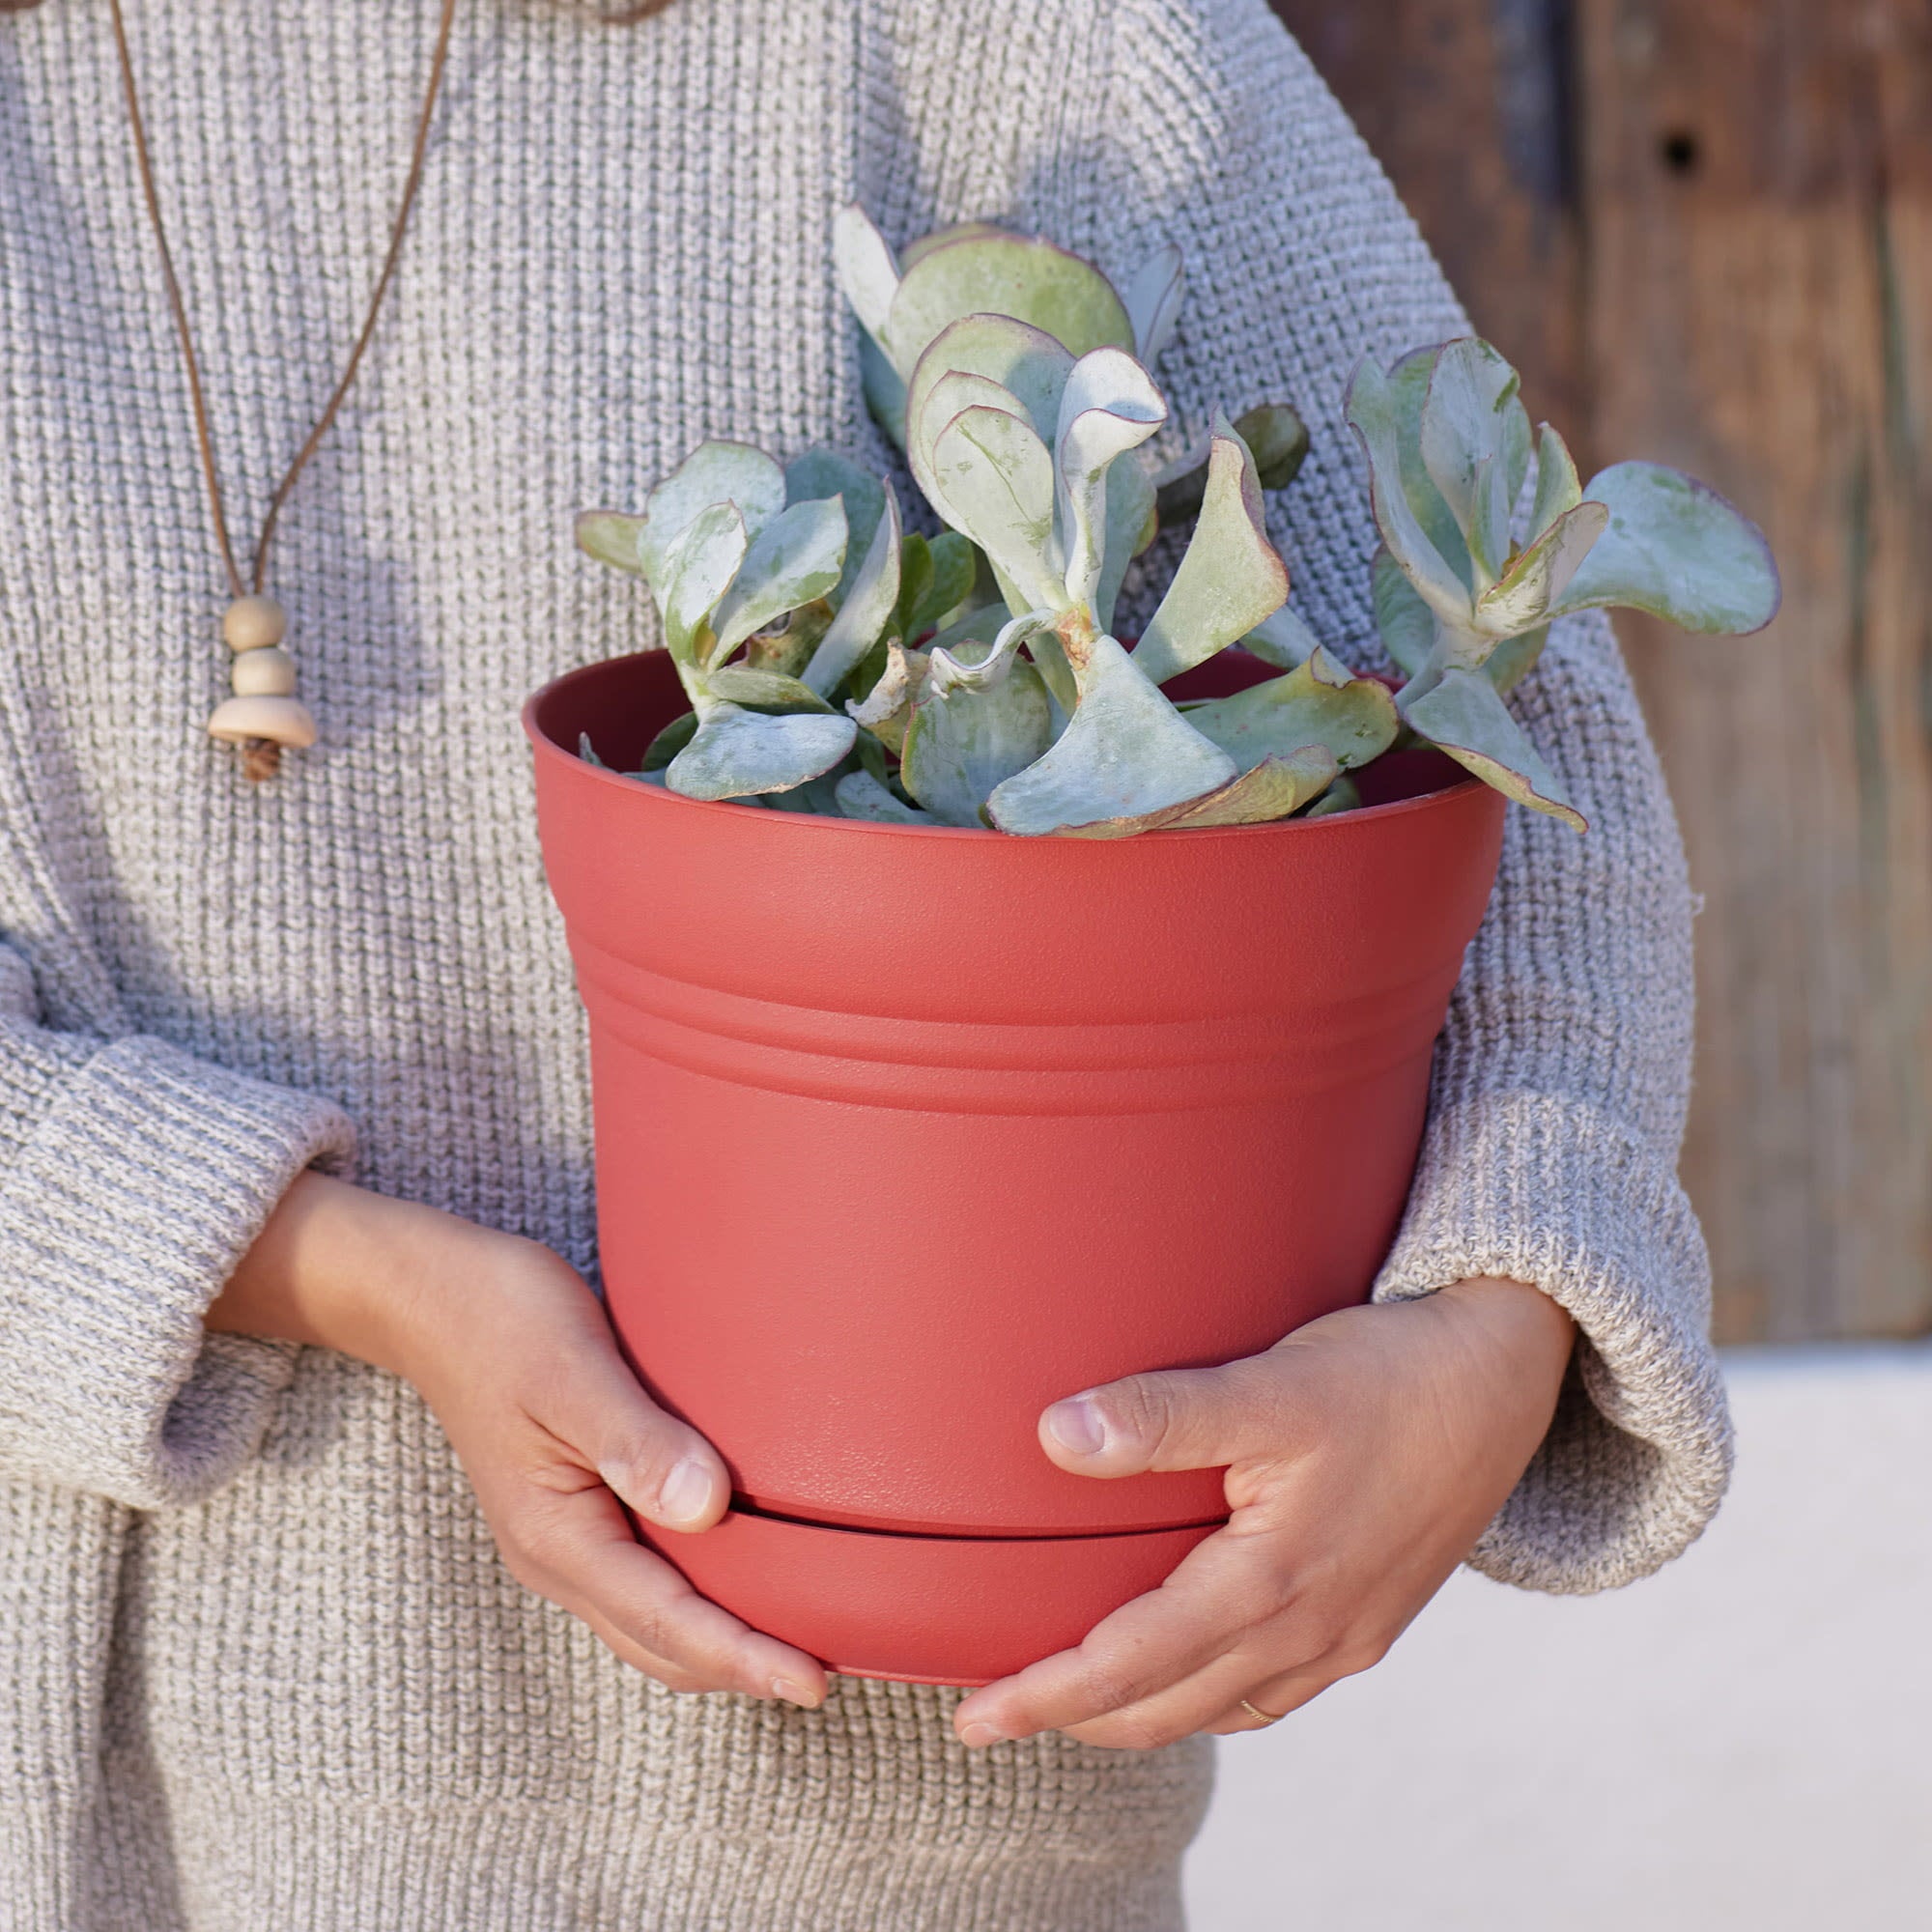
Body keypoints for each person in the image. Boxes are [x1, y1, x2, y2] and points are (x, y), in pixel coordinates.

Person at [0, 0, 1730, 1925]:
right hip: (92, 1806)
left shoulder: (994, 35)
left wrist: (1490, 1321)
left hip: (873, 1831)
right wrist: (344, 1276)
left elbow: (1515, 744)